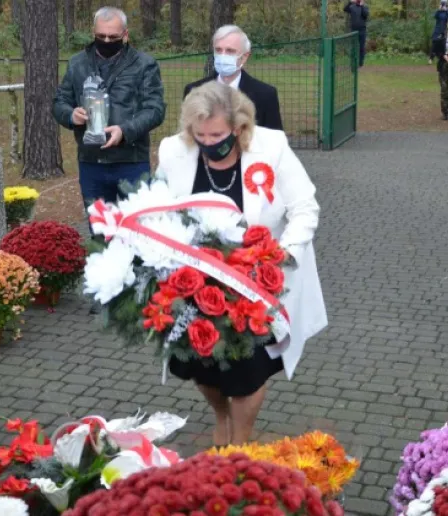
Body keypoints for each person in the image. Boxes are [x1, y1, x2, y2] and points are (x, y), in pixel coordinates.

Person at [155, 82, 327, 445]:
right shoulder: (173, 149)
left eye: (216, 134)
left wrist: (282, 255)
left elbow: (304, 207)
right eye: (199, 135)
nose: (207, 142)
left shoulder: (272, 146)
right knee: (201, 367)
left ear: (238, 126)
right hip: (197, 283)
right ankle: (221, 418)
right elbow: (160, 208)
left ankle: (240, 442)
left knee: (250, 372)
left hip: (257, 284)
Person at [53, 7, 165, 214]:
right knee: (99, 231)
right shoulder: (77, 63)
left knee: (138, 229)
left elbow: (155, 109)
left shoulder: (144, 64)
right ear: (93, 33)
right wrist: (71, 115)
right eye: (100, 36)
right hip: (91, 162)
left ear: (125, 35)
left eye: (113, 36)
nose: (106, 41)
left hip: (131, 161)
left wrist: (125, 130)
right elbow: (59, 101)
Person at [183, 25, 283, 131]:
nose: (223, 55)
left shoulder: (265, 95)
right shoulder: (194, 90)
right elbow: (186, 136)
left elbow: (275, 141)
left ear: (244, 57)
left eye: (230, 51)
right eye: (218, 50)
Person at [344, 0, 369, 67]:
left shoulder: (365, 7)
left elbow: (365, 15)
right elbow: (345, 9)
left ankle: (360, 63)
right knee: (353, 47)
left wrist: (362, 6)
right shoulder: (352, 7)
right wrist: (350, 2)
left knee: (361, 48)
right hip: (353, 30)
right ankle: (352, 63)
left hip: (362, 30)